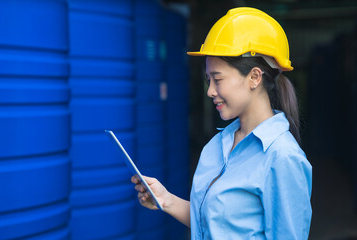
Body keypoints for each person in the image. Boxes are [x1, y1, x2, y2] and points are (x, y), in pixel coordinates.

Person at [131, 7, 312, 240]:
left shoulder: (283, 157)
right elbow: (214, 224)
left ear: (255, 77)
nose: (210, 91)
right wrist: (165, 199)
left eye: (217, 79)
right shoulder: (219, 143)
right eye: (209, 80)